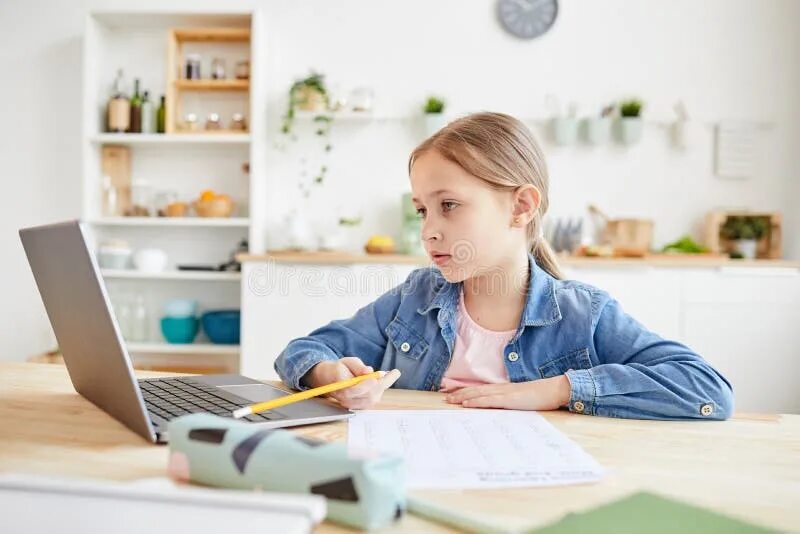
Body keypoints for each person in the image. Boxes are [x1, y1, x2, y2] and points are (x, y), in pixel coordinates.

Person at [275, 112, 733, 420]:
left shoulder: (582, 314)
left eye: (449, 205)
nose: (429, 230)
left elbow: (706, 389)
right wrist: (327, 376)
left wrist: (557, 390)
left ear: (521, 207)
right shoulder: (413, 300)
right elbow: (304, 349)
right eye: (422, 210)